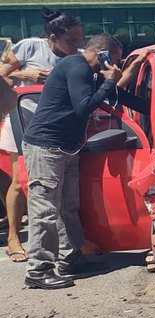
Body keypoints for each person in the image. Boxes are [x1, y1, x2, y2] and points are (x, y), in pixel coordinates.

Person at [21, 34, 147, 290]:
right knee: (45, 210)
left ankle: (70, 258)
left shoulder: (89, 73)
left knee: (68, 207)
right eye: (114, 59)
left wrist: (154, 108)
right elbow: (83, 107)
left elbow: (116, 97)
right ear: (101, 53)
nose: (116, 65)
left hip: (66, 147)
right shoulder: (76, 67)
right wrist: (108, 81)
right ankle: (38, 269)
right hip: (46, 147)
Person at [0, 8, 85, 264]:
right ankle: (14, 238)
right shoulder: (30, 47)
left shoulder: (76, 58)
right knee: (19, 181)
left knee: (61, 195)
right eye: (71, 40)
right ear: (52, 38)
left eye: (80, 40)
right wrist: (25, 75)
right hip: (23, 119)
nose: (76, 45)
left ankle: (69, 250)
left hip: (55, 129)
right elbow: (3, 73)